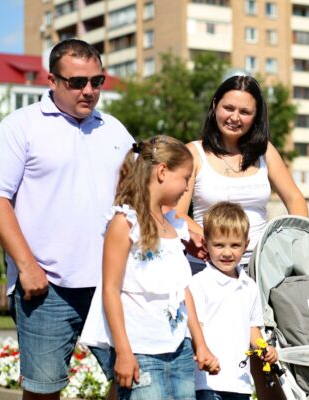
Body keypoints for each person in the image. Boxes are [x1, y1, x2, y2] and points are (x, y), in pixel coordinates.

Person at [0, 39, 134, 400]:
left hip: (112, 283)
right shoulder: (19, 127)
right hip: (47, 286)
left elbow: (142, 195)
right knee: (44, 391)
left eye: (97, 81)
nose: (89, 91)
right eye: (77, 82)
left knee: (133, 379)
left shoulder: (114, 130)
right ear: (52, 80)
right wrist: (26, 266)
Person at [80, 136, 220, 400]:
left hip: (179, 349)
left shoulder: (174, 226)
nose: (187, 186)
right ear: (162, 171)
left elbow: (183, 291)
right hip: (140, 350)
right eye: (185, 178)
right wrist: (123, 352)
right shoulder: (125, 223)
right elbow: (111, 290)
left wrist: (200, 344)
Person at [175, 74, 308, 274]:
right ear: (215, 105)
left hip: (262, 266)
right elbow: (176, 213)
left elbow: (295, 198)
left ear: (256, 116)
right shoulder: (192, 153)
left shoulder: (265, 151)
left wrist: (291, 241)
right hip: (206, 266)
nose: (235, 117)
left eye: (245, 112)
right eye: (228, 108)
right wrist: (217, 245)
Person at [189, 201, 278, 400]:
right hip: (208, 381)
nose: (227, 253)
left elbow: (252, 328)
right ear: (205, 244)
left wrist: (264, 349)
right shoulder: (199, 283)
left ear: (246, 245)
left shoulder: (250, 286)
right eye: (219, 245)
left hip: (240, 383)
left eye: (235, 245)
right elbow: (196, 328)